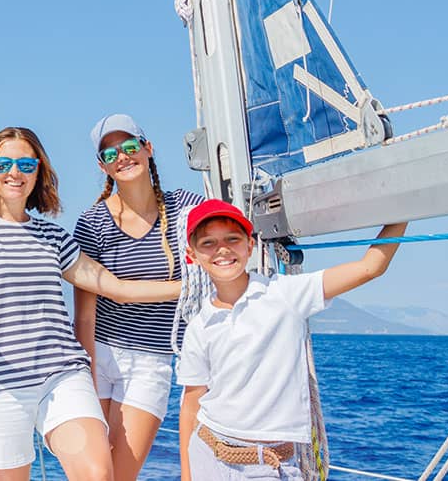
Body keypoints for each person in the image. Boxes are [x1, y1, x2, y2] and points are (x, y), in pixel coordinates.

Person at [0, 126, 181, 481]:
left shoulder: (53, 236)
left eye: (25, 164)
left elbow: (115, 287)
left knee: (98, 475)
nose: (14, 173)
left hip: (61, 375)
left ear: (39, 172)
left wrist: (187, 288)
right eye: (3, 163)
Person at [173, 200, 407, 480]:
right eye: (208, 243)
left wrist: (406, 208)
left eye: (232, 239)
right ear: (191, 255)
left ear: (250, 245)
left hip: (271, 465)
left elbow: (370, 267)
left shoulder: (286, 294)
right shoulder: (200, 325)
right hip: (208, 454)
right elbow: (191, 403)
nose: (222, 249)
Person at [68, 114, 207, 481]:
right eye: (110, 153)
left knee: (120, 474)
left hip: (150, 360)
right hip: (98, 354)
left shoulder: (186, 209)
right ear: (102, 165)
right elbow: (84, 315)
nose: (122, 156)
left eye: (130, 146)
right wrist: (84, 377)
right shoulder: (92, 222)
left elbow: (227, 246)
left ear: (147, 149)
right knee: (92, 474)